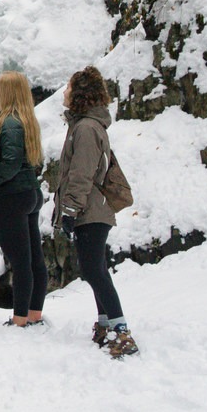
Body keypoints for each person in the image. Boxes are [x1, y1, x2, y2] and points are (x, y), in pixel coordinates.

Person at [53, 66, 138, 358]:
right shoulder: (84, 125)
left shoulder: (86, 129)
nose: (64, 92)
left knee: (94, 271)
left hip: (91, 211)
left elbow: (82, 173)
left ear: (80, 93)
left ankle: (120, 331)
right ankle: (106, 325)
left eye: (68, 87)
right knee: (95, 269)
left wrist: (70, 209)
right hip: (91, 210)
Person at [0, 71, 46, 328]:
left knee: (19, 261)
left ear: (7, 91)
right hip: (29, 194)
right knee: (33, 258)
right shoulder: (24, 120)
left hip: (11, 197)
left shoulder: (8, 123)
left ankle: (19, 319)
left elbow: (10, 164)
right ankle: (33, 313)